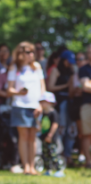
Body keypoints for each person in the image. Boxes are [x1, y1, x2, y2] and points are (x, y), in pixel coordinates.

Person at [7, 41, 46, 175]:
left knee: (33, 136)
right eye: (28, 52)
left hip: (35, 106)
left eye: (32, 52)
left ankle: (32, 167)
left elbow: (43, 87)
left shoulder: (36, 67)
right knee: (24, 136)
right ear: (20, 53)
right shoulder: (14, 67)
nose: (31, 54)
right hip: (20, 106)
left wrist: (41, 104)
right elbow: (9, 89)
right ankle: (26, 167)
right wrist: (18, 93)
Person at [47, 50, 76, 164]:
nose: (70, 64)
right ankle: (58, 154)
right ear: (63, 60)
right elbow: (50, 87)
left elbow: (71, 89)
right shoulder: (56, 70)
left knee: (71, 130)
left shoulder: (71, 71)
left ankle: (67, 154)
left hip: (70, 102)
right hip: (59, 102)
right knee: (61, 128)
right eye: (68, 61)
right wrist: (66, 85)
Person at [39, 91, 65, 177]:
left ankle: (59, 169)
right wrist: (36, 118)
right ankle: (48, 170)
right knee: (45, 154)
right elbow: (41, 125)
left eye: (43, 102)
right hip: (44, 137)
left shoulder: (53, 113)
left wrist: (50, 135)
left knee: (53, 154)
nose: (41, 104)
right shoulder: (43, 113)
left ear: (50, 102)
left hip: (51, 138)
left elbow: (55, 125)